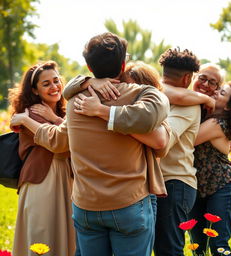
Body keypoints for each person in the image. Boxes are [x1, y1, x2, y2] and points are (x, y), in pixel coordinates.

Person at [10, 32, 170, 256]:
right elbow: (161, 118)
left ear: (89, 66)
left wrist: (96, 102)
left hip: (86, 208)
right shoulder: (140, 96)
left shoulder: (76, 101)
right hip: (127, 203)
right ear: (123, 64)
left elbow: (58, 140)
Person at [8, 61, 76, 256]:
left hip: (66, 180)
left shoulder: (63, 113)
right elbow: (62, 144)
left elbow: (77, 139)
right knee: (43, 235)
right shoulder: (31, 113)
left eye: (56, 81)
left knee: (67, 235)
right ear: (35, 90)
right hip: (42, 181)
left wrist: (55, 118)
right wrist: (52, 120)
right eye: (46, 84)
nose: (54, 87)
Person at [148, 48, 200, 256]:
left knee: (168, 249)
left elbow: (163, 143)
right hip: (160, 183)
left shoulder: (189, 106)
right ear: (188, 78)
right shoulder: (155, 96)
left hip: (176, 183)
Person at [189, 82, 231, 256]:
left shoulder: (216, 123)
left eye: (221, 93)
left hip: (222, 186)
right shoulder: (208, 117)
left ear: (229, 106)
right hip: (199, 187)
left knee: (218, 244)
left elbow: (188, 140)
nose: (215, 92)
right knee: (197, 245)